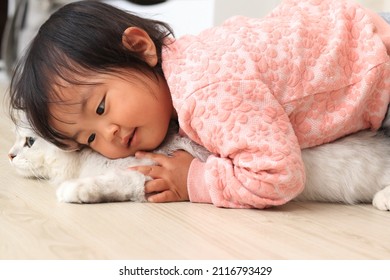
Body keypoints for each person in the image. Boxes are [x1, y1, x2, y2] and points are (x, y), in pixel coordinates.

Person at [9, 0, 390, 209]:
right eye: (89, 137)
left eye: (102, 107)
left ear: (141, 49)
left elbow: (278, 176)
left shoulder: (204, 92)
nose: (108, 134)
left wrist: (195, 180)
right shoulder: (189, 58)